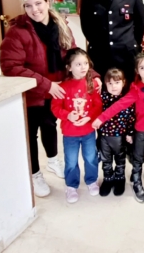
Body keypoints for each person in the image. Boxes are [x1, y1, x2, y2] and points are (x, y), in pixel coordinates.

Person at [0, 0, 87, 198]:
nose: (34, 9)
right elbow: (10, 66)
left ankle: (53, 161)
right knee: (31, 133)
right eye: (28, 5)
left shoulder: (61, 26)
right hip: (33, 92)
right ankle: (35, 173)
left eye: (38, 3)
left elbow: (73, 55)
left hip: (56, 90)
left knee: (50, 126)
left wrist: (90, 73)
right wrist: (46, 84)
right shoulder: (17, 31)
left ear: (47, 3)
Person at [92, 53, 144, 203]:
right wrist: (101, 118)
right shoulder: (136, 89)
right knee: (137, 159)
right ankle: (136, 182)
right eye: (142, 67)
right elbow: (118, 105)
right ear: (137, 70)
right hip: (141, 131)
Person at [80, 0, 144, 83]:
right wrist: (99, 44)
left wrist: (130, 44)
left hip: (127, 56)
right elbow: (86, 27)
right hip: (99, 56)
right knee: (101, 93)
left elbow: (141, 25)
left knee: (127, 92)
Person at [51, 48, 102, 203]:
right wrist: (68, 115)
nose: (83, 67)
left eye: (85, 63)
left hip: (88, 131)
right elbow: (55, 108)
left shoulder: (92, 83)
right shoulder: (63, 87)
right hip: (70, 133)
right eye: (78, 64)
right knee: (71, 161)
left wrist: (88, 117)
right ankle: (71, 185)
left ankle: (91, 180)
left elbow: (98, 105)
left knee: (91, 158)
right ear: (69, 67)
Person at [98, 68, 136, 197]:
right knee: (106, 160)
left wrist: (130, 133)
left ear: (123, 83)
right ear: (105, 84)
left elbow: (131, 118)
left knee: (120, 159)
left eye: (117, 82)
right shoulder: (102, 98)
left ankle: (120, 178)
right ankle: (108, 178)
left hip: (120, 137)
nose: (113, 86)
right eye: (110, 83)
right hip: (104, 136)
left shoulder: (127, 100)